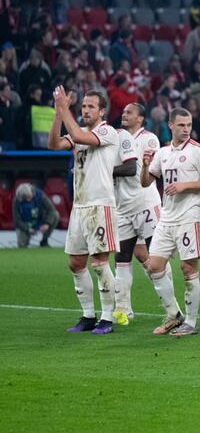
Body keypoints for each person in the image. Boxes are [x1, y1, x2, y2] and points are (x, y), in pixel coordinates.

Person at [47, 87, 121, 334]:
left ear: (102, 111)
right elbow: (54, 144)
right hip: (80, 207)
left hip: (100, 205)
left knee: (99, 263)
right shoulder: (80, 132)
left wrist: (64, 109)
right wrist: (59, 112)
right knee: (76, 263)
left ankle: (108, 318)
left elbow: (77, 136)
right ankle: (88, 316)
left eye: (91, 106)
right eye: (84, 106)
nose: (86, 110)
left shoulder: (107, 131)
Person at [140, 108, 200, 336]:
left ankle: (191, 323)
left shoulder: (198, 151)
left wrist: (186, 185)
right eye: (181, 125)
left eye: (189, 125)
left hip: (189, 216)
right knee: (154, 266)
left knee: (188, 267)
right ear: (171, 125)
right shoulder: (163, 153)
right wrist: (145, 166)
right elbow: (146, 183)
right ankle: (174, 314)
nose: (186, 129)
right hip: (167, 216)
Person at [112, 103, 164, 325]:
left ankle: (171, 307)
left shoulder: (149, 139)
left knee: (155, 257)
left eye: (129, 112)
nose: (124, 114)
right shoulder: (115, 137)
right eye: (123, 112)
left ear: (140, 119)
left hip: (146, 204)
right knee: (123, 258)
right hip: (123, 207)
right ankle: (123, 309)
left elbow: (139, 170)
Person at [14, 183, 59, 248]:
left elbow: (51, 210)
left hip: (40, 221)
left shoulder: (40, 195)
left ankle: (44, 241)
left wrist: (47, 224)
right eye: (25, 198)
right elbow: (17, 220)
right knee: (22, 246)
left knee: (56, 215)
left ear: (32, 192)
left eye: (29, 197)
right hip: (26, 224)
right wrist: (27, 229)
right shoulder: (17, 200)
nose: (27, 200)